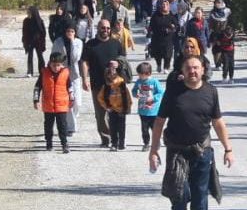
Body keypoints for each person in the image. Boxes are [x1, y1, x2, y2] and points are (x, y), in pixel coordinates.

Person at [148, 54, 236, 210]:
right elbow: (159, 121)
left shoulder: (211, 91)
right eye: (188, 68)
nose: (192, 71)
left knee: (200, 196)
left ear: (203, 70)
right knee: (179, 197)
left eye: (196, 68)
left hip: (202, 151)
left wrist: (228, 149)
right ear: (182, 70)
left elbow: (217, 122)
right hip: (177, 151)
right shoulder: (173, 92)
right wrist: (154, 151)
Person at [83, 19, 126, 149]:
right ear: (98, 28)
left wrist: (118, 64)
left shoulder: (116, 43)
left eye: (107, 28)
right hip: (97, 84)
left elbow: (123, 59)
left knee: (115, 112)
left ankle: (116, 138)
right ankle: (106, 138)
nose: (105, 30)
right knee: (100, 114)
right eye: (103, 28)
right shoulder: (90, 44)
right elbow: (84, 62)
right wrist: (84, 78)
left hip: (115, 85)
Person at [49, 25, 84, 135]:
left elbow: (75, 57)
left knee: (77, 102)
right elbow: (53, 57)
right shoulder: (58, 42)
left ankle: (73, 118)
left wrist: (72, 42)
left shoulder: (78, 42)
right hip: (62, 74)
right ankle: (71, 127)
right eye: (68, 31)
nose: (70, 33)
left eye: (72, 31)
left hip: (75, 75)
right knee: (69, 101)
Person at [35, 51, 73, 153]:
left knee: (62, 125)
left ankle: (64, 144)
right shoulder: (44, 73)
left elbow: (70, 87)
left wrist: (72, 98)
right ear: (49, 63)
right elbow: (37, 87)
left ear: (62, 64)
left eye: (58, 65)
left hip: (62, 105)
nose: (56, 67)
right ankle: (49, 144)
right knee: (48, 126)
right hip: (48, 105)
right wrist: (36, 100)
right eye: (53, 65)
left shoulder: (65, 73)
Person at [97, 59, 134, 151]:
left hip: (122, 109)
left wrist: (128, 107)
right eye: (110, 73)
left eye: (114, 72)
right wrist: (107, 107)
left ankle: (122, 142)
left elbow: (128, 97)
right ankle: (114, 143)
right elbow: (100, 98)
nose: (112, 75)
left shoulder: (122, 83)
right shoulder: (106, 86)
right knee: (113, 127)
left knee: (122, 127)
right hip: (111, 109)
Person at [133, 61, 166, 150]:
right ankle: (146, 143)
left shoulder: (154, 81)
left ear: (148, 73)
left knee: (155, 129)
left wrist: (153, 98)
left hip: (154, 110)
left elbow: (161, 92)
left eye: (141, 75)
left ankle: (156, 142)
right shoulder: (139, 81)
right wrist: (136, 94)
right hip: (143, 110)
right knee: (144, 129)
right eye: (139, 74)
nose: (139, 76)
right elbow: (134, 90)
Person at [148, 0, 180, 73]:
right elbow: (151, 26)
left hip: (168, 39)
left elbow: (176, 26)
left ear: (169, 6)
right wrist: (149, 32)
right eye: (163, 4)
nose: (164, 6)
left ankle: (166, 67)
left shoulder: (172, 16)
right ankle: (159, 65)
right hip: (157, 38)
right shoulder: (156, 15)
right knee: (157, 54)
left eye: (166, 5)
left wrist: (172, 28)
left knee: (168, 54)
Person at [22, 6, 48, 78]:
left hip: (38, 41)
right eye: (28, 12)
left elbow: (43, 32)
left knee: (40, 56)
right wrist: (24, 41)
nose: (28, 13)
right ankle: (30, 71)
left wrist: (42, 41)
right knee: (30, 56)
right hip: (29, 41)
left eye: (29, 12)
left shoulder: (39, 21)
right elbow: (24, 32)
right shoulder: (26, 21)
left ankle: (42, 71)